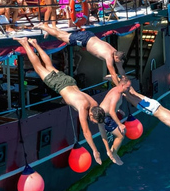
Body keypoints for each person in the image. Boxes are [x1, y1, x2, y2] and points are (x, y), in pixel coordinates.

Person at [15, 37, 117, 165]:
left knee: (49, 66)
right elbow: (86, 132)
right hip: (59, 85)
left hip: (70, 81)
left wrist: (107, 149)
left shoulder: (96, 105)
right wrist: (94, 151)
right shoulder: (83, 107)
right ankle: (25, 43)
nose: (91, 121)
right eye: (92, 120)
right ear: (91, 114)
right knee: (38, 67)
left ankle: (35, 44)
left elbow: (101, 125)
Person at [121, 81, 170, 170]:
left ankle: (123, 79)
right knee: (127, 96)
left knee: (134, 93)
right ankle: (115, 82)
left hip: (155, 104)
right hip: (152, 110)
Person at [38, 23, 127, 85]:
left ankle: (50, 29)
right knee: (61, 37)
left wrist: (125, 79)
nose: (117, 63)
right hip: (84, 40)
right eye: (117, 61)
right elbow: (113, 75)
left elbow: (120, 69)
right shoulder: (109, 57)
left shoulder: (115, 52)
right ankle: (44, 26)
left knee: (65, 37)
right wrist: (119, 88)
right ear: (115, 57)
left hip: (89, 35)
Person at [89, 82, 130, 165]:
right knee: (121, 135)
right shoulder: (116, 94)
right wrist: (108, 151)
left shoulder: (115, 91)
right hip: (106, 117)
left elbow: (110, 104)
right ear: (122, 85)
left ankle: (112, 151)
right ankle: (113, 153)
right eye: (128, 88)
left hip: (106, 114)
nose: (129, 89)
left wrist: (117, 109)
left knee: (122, 131)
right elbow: (103, 135)